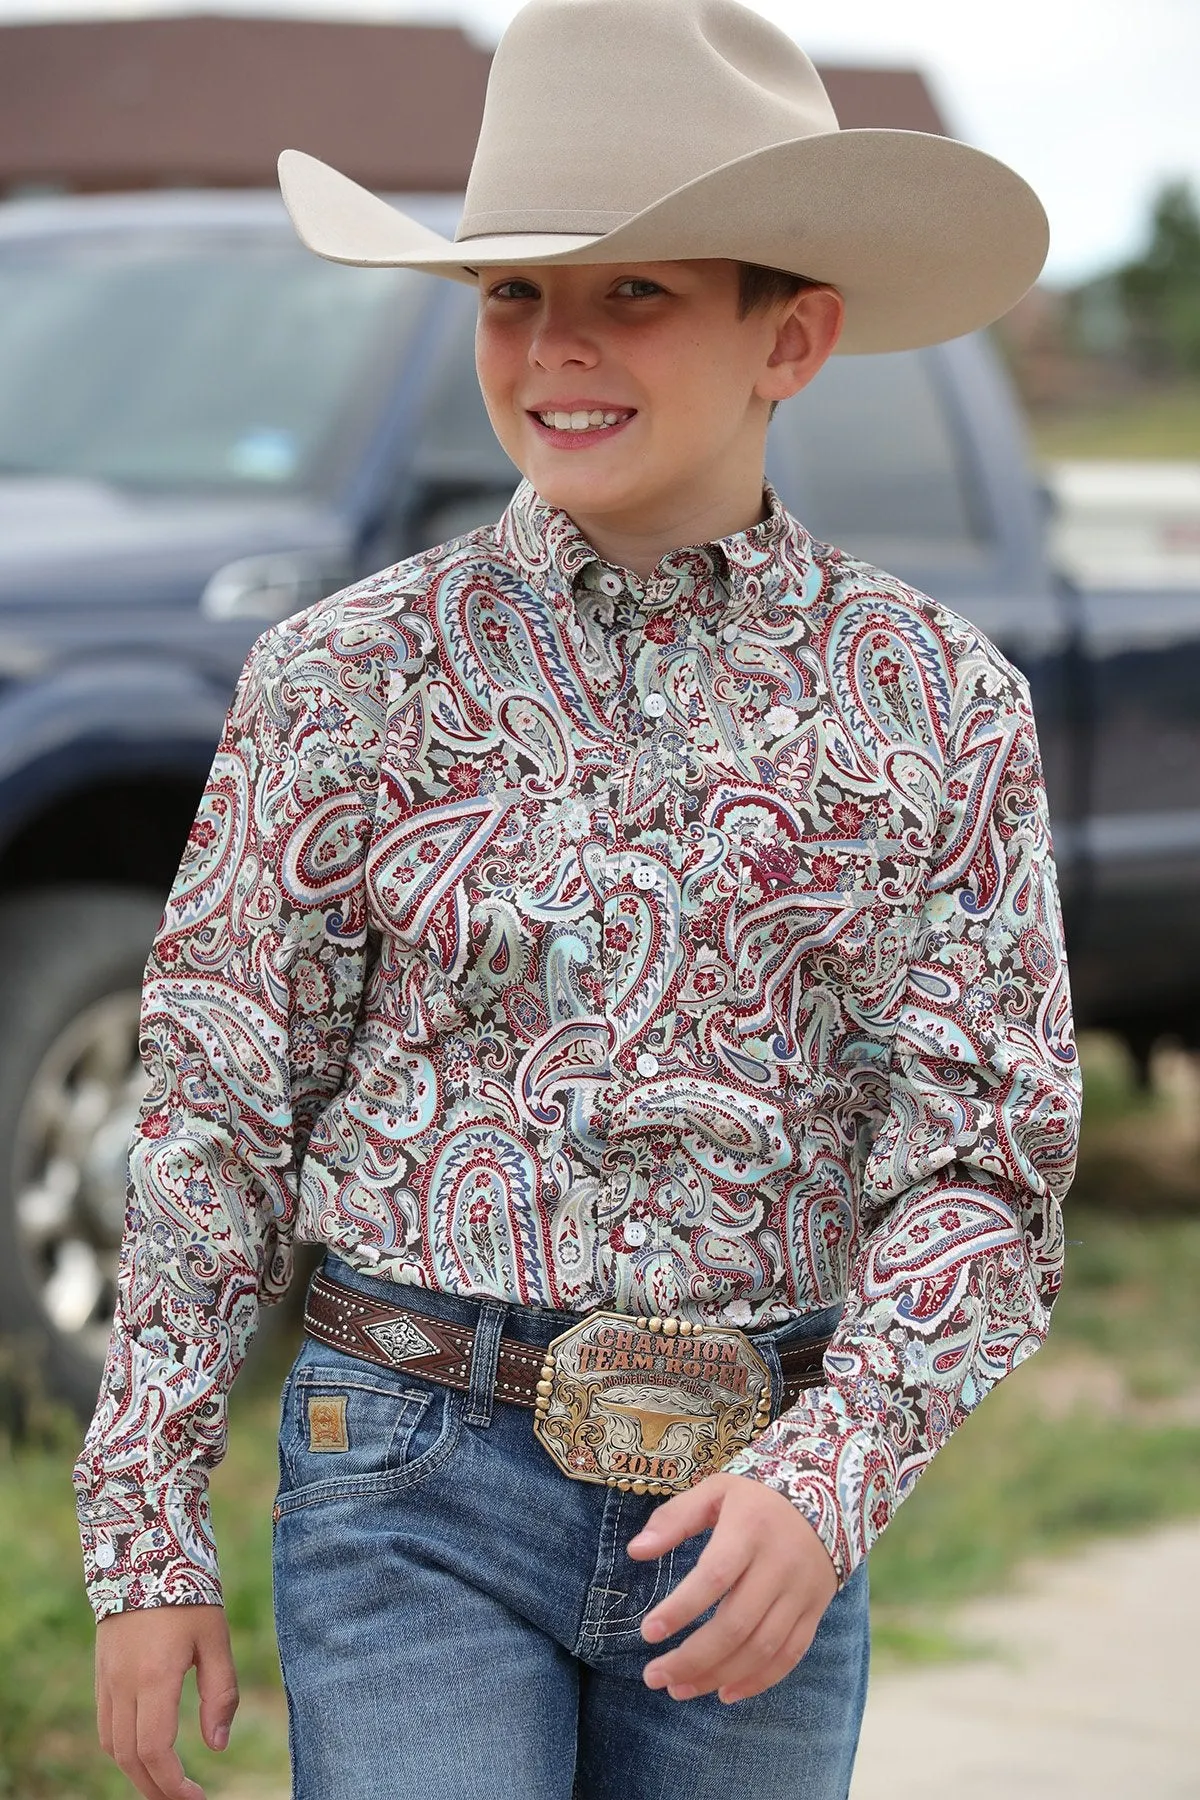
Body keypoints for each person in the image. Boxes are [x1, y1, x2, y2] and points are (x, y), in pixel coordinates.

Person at [73, 1, 1082, 1796]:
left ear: (798, 335)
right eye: (514, 296)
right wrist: (145, 1528)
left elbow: (987, 1168)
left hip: (756, 1497)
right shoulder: (344, 680)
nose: (557, 349)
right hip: (408, 1471)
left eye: (636, 295)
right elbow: (218, 1112)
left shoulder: (938, 705)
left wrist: (833, 1467)